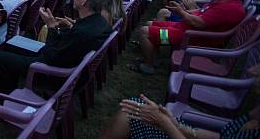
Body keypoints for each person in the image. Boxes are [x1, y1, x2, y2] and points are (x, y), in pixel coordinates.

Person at [0, 0, 112, 94]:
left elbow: (51, 56)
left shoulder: (83, 32)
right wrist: (67, 26)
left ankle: (2, 100)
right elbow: (69, 44)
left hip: (53, 73)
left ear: (84, 0)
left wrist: (51, 26)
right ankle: (12, 89)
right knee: (11, 46)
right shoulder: (100, 23)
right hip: (65, 63)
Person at [99, 64, 260, 139]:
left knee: (150, 30)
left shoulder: (227, 7)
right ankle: (150, 60)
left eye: (259, 68)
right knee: (156, 23)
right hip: (180, 32)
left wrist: (164, 122)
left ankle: (151, 60)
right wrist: (179, 127)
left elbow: (198, 22)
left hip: (186, 37)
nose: (252, 70)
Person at [132, 0, 247, 74]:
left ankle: (148, 66)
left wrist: (181, 12)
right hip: (186, 30)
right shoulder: (224, 2)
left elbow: (198, 23)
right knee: (150, 24)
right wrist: (183, 10)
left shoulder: (229, 8)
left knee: (145, 31)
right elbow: (201, 14)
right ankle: (154, 58)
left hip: (191, 37)